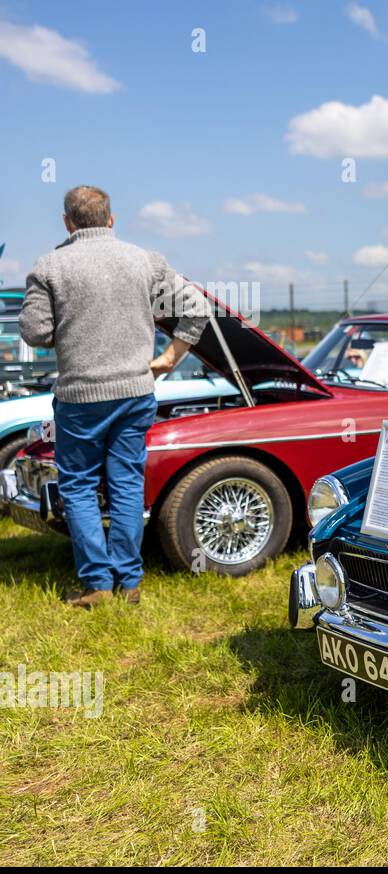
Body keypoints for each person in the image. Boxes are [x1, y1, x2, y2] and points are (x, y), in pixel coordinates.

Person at [20, 186, 211, 607]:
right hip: (136, 390)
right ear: (111, 219)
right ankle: (130, 583)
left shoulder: (49, 265)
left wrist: (66, 331)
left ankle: (97, 585)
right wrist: (170, 357)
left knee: (80, 486)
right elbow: (197, 307)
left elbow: (34, 332)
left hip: (79, 396)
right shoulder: (145, 260)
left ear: (67, 223)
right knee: (126, 484)